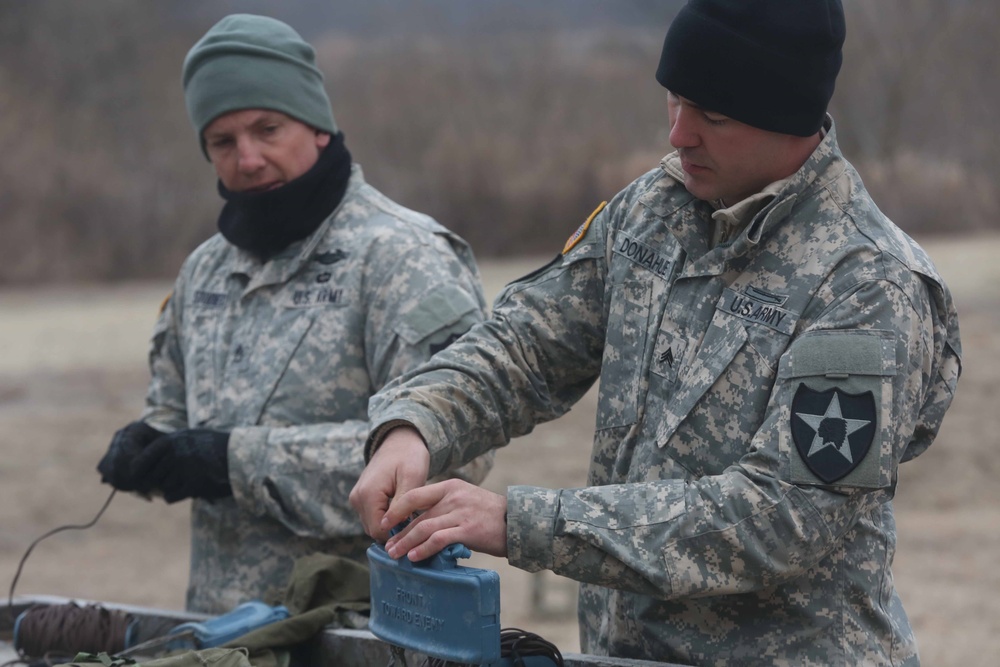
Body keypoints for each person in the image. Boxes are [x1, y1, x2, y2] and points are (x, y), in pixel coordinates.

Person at [349, 0, 963, 664]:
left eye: (713, 116)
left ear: (788, 117)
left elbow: (780, 518)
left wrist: (522, 523)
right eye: (674, 101)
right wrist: (414, 425)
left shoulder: (868, 282)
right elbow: (525, 345)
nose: (678, 134)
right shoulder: (651, 213)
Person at [95, 14, 493, 615]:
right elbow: (178, 423)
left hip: (362, 631)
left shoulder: (402, 258)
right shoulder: (204, 272)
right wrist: (151, 451)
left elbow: (458, 453)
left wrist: (234, 462)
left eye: (268, 129)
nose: (248, 158)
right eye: (222, 142)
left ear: (319, 127)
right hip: (220, 636)